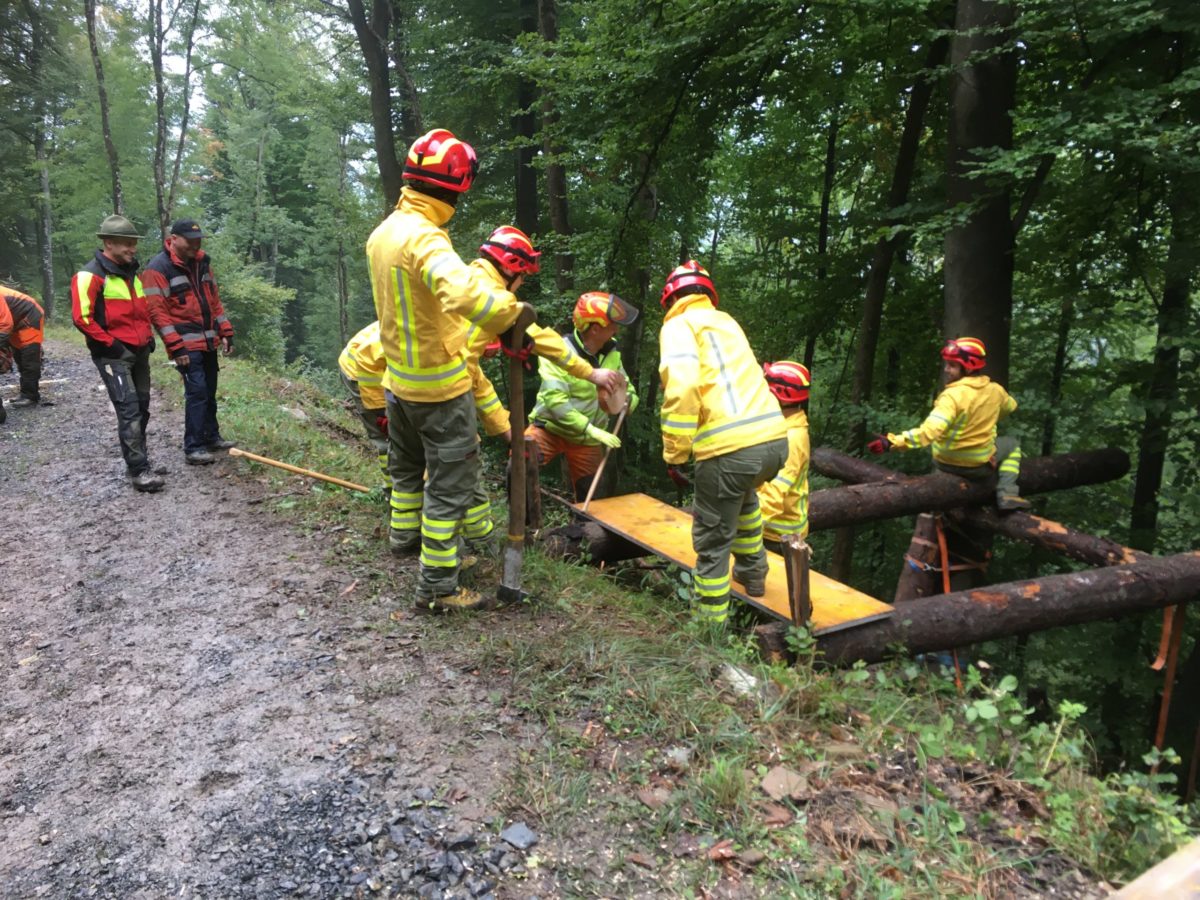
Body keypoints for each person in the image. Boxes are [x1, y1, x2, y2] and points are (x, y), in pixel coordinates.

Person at [366, 128, 526, 612]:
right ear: (458, 186)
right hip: (438, 390)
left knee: (406, 471)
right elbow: (462, 294)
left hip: (397, 384)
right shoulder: (425, 239)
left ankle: (404, 539)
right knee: (450, 488)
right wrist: (510, 317)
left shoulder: (384, 233)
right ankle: (437, 585)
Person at [658, 260, 788, 626]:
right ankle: (753, 574)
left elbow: (683, 387)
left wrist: (676, 453)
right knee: (744, 503)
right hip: (775, 440)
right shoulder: (727, 322)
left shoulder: (678, 326)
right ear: (708, 294)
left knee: (712, 541)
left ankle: (709, 628)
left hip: (729, 449)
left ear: (670, 300)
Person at [868, 336, 1028, 510]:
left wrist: (892, 442)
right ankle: (1007, 495)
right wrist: (985, 417)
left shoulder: (952, 396)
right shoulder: (996, 391)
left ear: (968, 367)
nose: (946, 369)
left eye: (952, 365)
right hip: (977, 467)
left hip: (944, 463)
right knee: (1012, 445)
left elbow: (929, 431)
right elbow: (1010, 407)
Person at [71, 214, 164, 492]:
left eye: (134, 243)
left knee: (142, 407)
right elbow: (81, 318)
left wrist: (148, 338)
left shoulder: (131, 273)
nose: (133, 249)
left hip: (140, 352)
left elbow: (141, 310)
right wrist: (112, 346)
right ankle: (139, 470)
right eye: (127, 243)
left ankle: (140, 460)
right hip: (113, 355)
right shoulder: (89, 276)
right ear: (109, 243)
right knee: (129, 409)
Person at [527, 291, 638, 501]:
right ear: (595, 329)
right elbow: (555, 402)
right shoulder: (557, 351)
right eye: (612, 325)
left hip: (587, 440)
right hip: (550, 428)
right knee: (520, 467)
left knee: (594, 496)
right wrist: (591, 429)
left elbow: (628, 389)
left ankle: (584, 523)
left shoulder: (612, 352)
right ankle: (524, 520)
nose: (616, 329)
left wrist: (628, 402)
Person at [142, 218, 236, 465]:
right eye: (190, 241)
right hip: (185, 345)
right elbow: (157, 313)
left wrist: (225, 330)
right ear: (174, 239)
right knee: (197, 392)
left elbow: (214, 301)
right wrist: (175, 346)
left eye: (198, 241)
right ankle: (193, 447)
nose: (196, 245)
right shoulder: (157, 269)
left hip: (208, 340)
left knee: (209, 391)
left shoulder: (202, 263)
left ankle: (211, 436)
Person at [756, 361, 812, 548]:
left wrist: (742, 528)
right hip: (770, 529)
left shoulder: (791, 439)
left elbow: (774, 493)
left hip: (776, 537)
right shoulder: (779, 426)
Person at [338, 320, 389, 484]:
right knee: (387, 434)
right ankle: (393, 490)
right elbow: (366, 361)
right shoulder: (400, 335)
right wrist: (381, 410)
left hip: (380, 367)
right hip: (361, 370)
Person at [0, 285, 45, 408]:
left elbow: (5, 324)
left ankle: (30, 396)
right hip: (14, 319)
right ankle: (25, 393)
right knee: (19, 356)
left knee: (29, 357)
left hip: (29, 315)